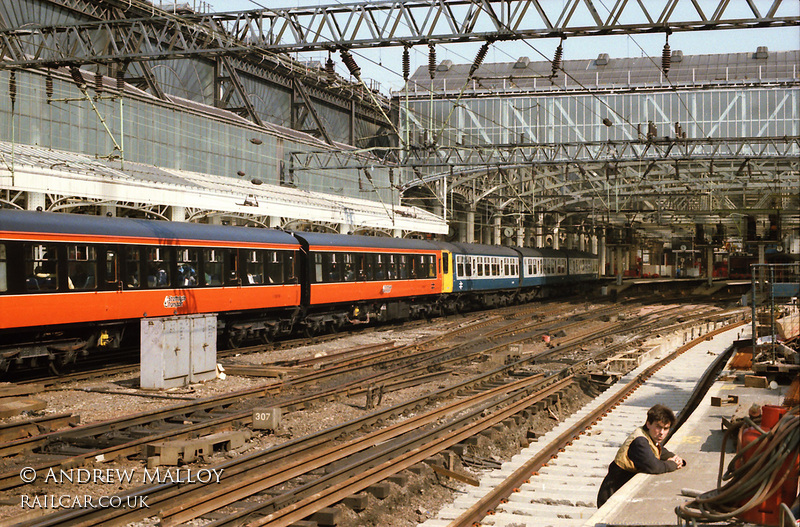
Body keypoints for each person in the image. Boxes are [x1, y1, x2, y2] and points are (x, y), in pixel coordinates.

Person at [597, 404, 685, 507]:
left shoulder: (648, 435)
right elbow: (654, 467)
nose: (661, 432)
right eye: (658, 427)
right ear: (648, 424)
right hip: (611, 497)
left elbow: (660, 450)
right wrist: (673, 464)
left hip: (622, 492)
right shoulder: (640, 442)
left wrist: (676, 458)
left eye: (666, 429)